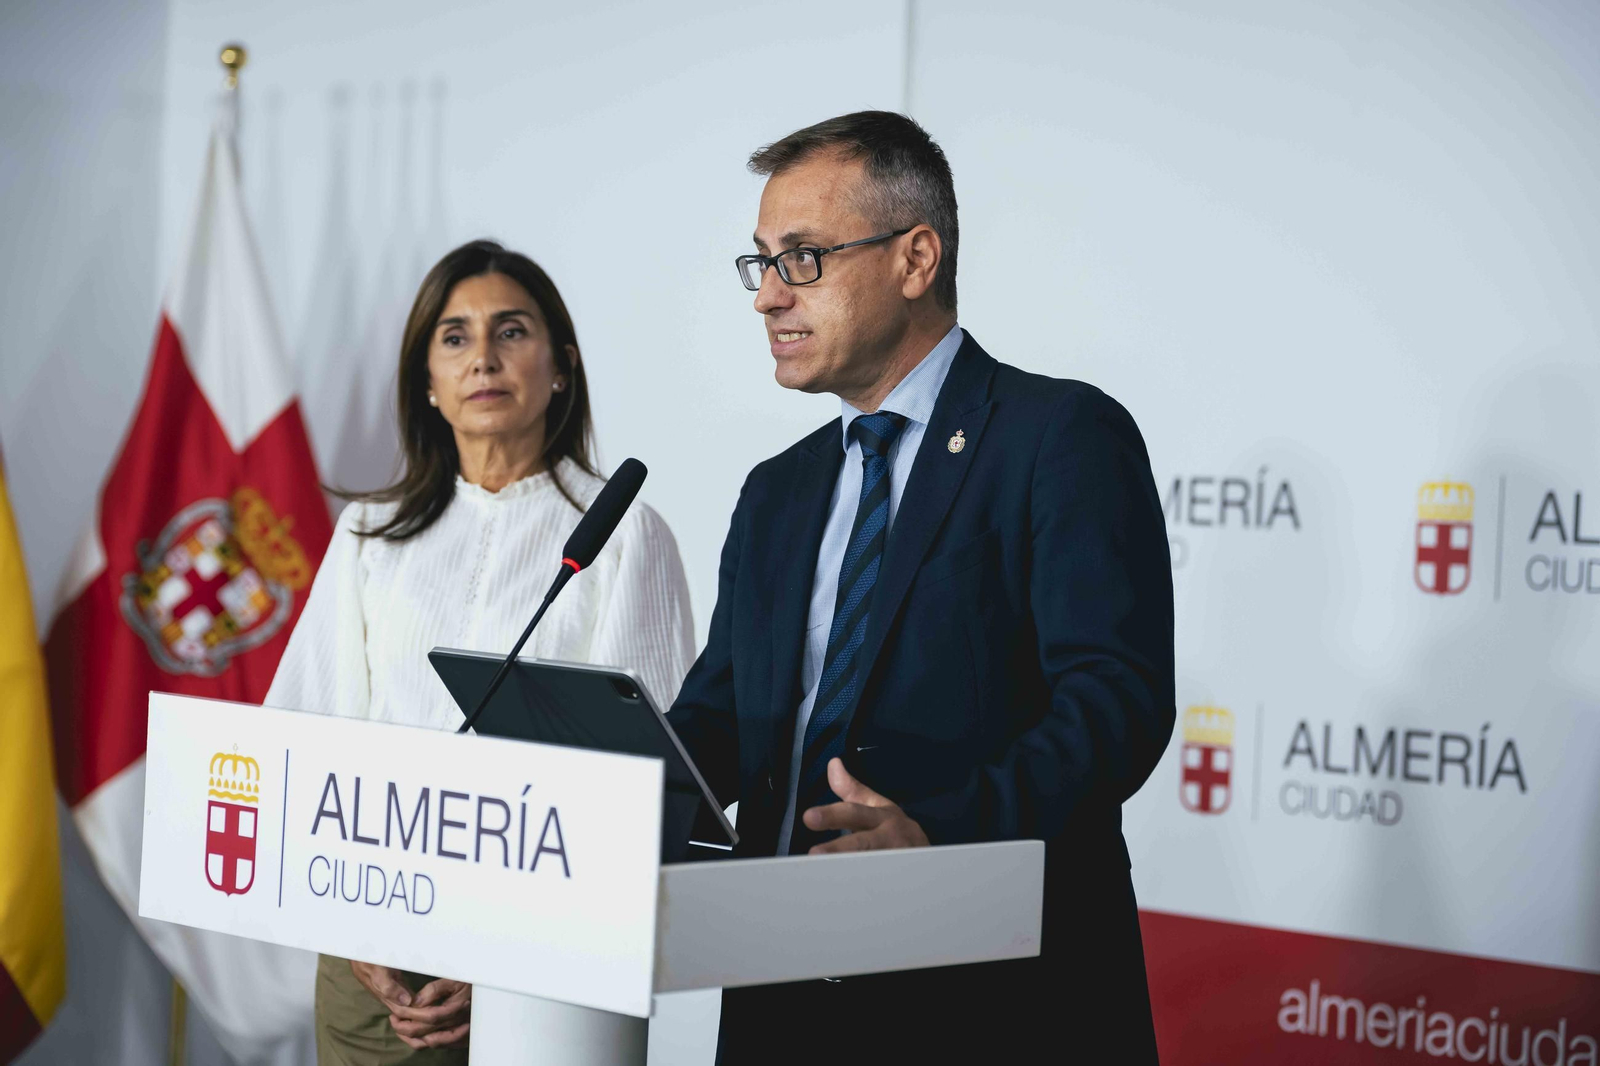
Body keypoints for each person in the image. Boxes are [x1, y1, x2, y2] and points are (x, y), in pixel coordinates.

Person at [666, 112, 1175, 1062]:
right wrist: (591, 801)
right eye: (761, 262)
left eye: (803, 258)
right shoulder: (777, 490)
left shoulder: (1058, 437)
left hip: (991, 998)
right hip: (780, 987)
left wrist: (939, 834)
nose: (768, 297)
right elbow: (725, 721)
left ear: (915, 258)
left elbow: (1117, 704)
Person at [265, 239, 696, 1062]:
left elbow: (653, 784)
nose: (484, 358)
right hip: (373, 957)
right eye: (455, 338)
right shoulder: (367, 534)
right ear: (427, 381)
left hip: (548, 965)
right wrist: (354, 935)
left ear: (561, 367)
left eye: (512, 331)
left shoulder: (624, 531)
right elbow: (304, 738)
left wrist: (510, 952)